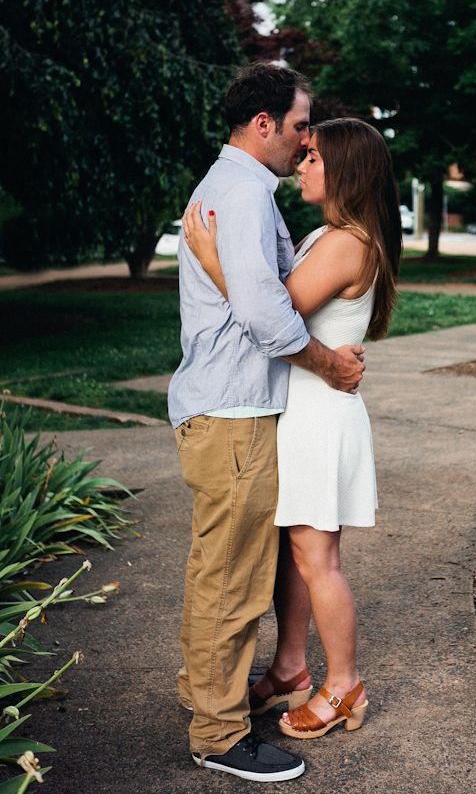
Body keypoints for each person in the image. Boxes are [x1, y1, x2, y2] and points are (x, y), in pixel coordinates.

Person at [168, 64, 366, 783]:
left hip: (222, 409)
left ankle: (206, 700)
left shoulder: (235, 188)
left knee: (214, 571)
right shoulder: (245, 194)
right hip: (234, 414)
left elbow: (257, 298)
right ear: (263, 125)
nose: (303, 138)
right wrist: (331, 366)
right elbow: (264, 316)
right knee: (232, 582)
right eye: (298, 126)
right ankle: (219, 734)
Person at [182, 116, 402, 743]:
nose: (302, 164)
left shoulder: (345, 243)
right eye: (303, 153)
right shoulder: (331, 234)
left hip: (318, 416)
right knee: (296, 555)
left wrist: (209, 259)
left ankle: (343, 686)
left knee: (317, 557)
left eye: (314, 157)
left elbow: (269, 314)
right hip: (306, 407)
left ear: (345, 170)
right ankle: (289, 668)